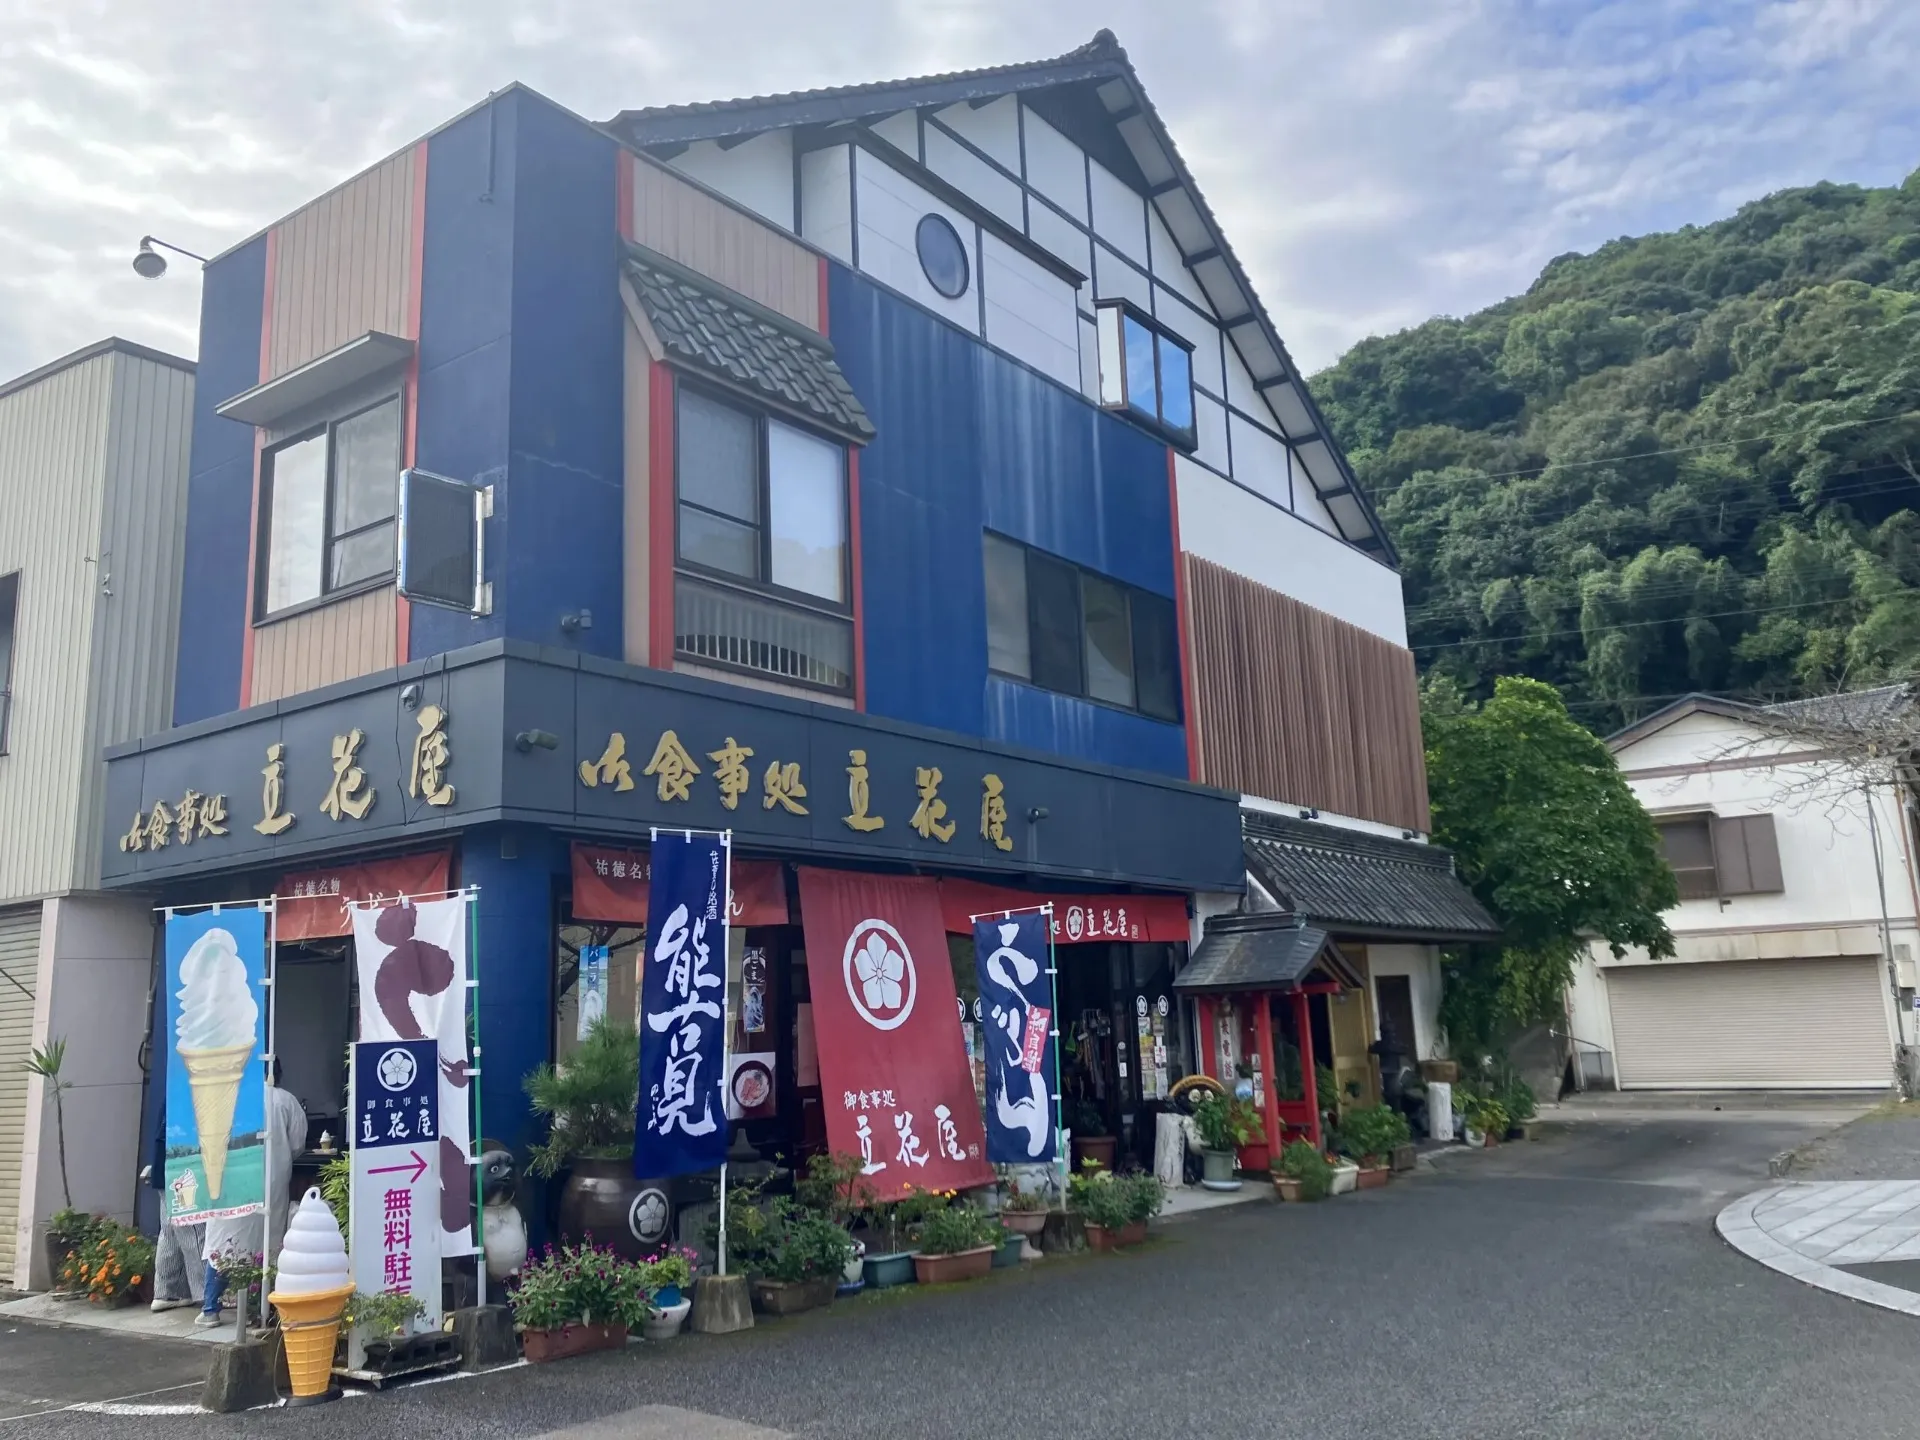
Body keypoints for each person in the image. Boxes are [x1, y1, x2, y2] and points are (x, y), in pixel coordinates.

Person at [197, 1060, 308, 1328]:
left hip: (229, 1183)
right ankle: (257, 1310)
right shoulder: (285, 1101)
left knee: (224, 1244)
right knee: (265, 1245)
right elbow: (297, 1144)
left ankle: (210, 1309)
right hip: (271, 1181)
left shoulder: (227, 1099)